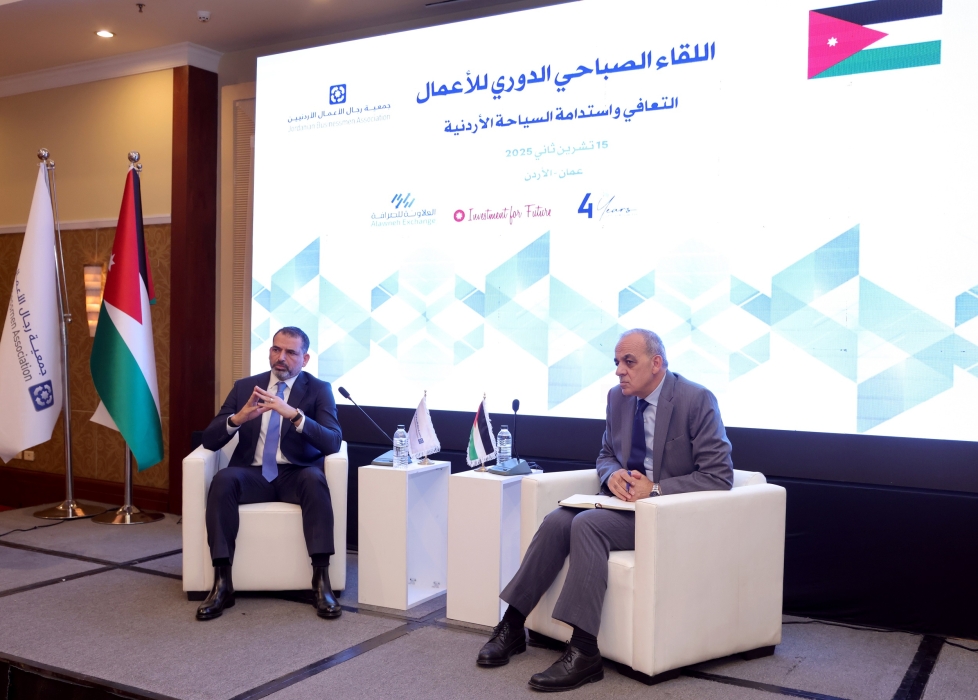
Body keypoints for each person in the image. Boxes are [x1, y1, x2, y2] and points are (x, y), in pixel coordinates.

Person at [477, 329, 733, 691]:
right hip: (624, 506)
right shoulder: (618, 398)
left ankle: (584, 651)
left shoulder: (696, 399)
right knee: (556, 521)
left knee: (588, 525)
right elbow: (606, 454)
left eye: (629, 362)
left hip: (669, 514)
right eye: (616, 362)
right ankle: (513, 625)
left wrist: (654, 488)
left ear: (656, 364)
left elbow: (719, 475)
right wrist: (612, 474)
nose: (619, 371)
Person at [197, 326, 343, 621]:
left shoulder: (318, 389)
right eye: (276, 349)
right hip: (253, 475)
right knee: (223, 480)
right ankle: (222, 584)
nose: (281, 358)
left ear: (305, 359)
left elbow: (332, 442)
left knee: (315, 479)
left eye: (291, 352)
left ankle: (320, 582)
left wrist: (294, 415)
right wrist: (238, 418)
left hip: (295, 474)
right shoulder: (245, 387)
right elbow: (210, 440)